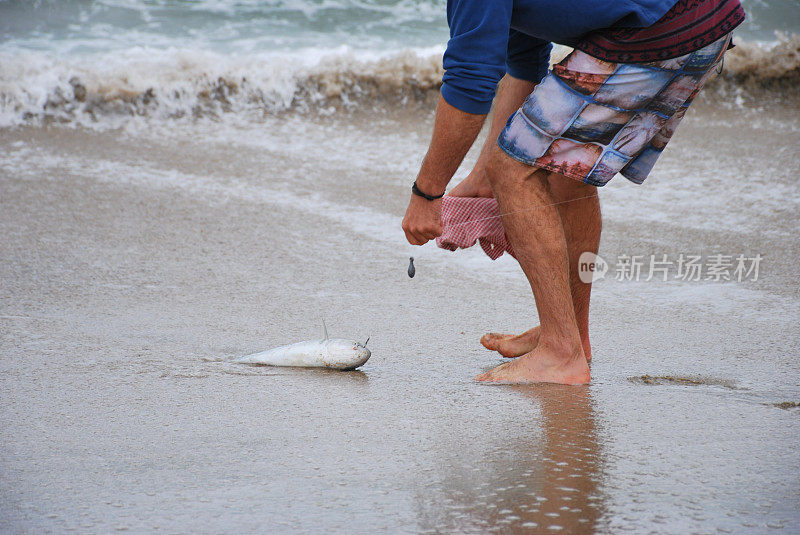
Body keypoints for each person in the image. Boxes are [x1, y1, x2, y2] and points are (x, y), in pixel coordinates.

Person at [401, 0, 745, 385]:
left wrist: (427, 195)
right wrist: (480, 180)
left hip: (665, 27)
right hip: (706, 17)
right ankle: (571, 336)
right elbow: (525, 59)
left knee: (513, 168)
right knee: (563, 165)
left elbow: (470, 79)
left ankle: (561, 355)